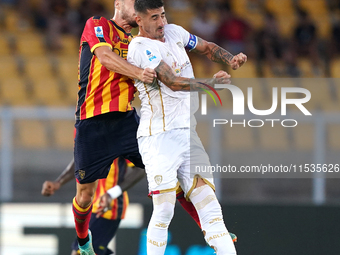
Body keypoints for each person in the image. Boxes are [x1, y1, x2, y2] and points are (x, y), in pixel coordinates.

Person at [127, 0, 247, 254]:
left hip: (187, 133)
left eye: (162, 15)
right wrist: (209, 83)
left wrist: (230, 58)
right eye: (154, 18)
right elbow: (170, 81)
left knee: (210, 205)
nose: (161, 22)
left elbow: (207, 47)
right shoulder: (140, 47)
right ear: (139, 20)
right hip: (159, 137)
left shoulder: (174, 31)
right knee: (164, 209)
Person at [71, 0, 156, 254]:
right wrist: (140, 73)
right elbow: (106, 57)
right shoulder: (97, 24)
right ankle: (83, 240)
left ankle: (210, 225)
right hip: (91, 122)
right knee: (85, 196)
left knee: (164, 164)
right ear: (118, 3)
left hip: (125, 120)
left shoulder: (138, 43)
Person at [42, 158, 136, 255]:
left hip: (107, 207)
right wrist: (59, 182)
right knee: (83, 251)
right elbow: (81, 159)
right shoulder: (86, 143)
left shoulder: (119, 142)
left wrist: (112, 193)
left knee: (82, 252)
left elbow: (140, 168)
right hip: (89, 205)